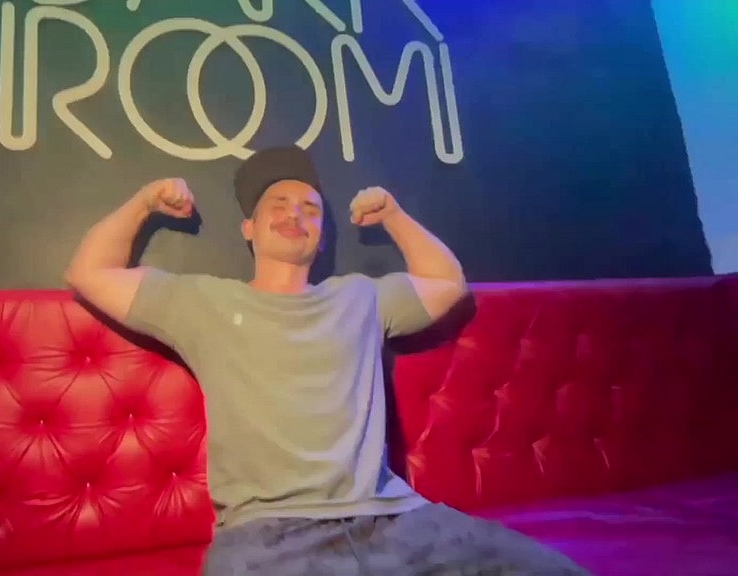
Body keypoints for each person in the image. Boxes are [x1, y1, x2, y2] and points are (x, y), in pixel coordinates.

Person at [64, 146, 590, 575]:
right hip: (269, 538)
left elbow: (447, 284)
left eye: (311, 208)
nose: (295, 214)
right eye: (278, 204)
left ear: (320, 239)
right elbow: (89, 272)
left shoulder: (361, 297)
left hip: (395, 521)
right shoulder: (205, 303)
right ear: (249, 228)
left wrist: (394, 217)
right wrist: (144, 203)